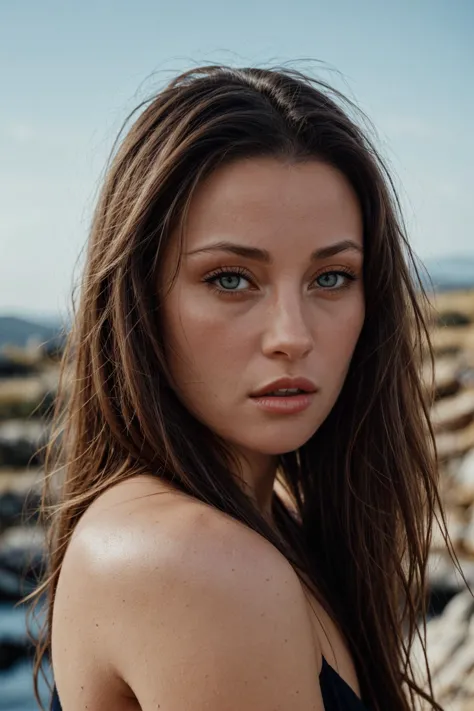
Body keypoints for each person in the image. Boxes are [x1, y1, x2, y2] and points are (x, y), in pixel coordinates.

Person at [28, 64, 455, 711]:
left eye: (332, 277)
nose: (292, 334)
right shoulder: (193, 562)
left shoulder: (265, 520)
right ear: (139, 299)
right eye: (230, 278)